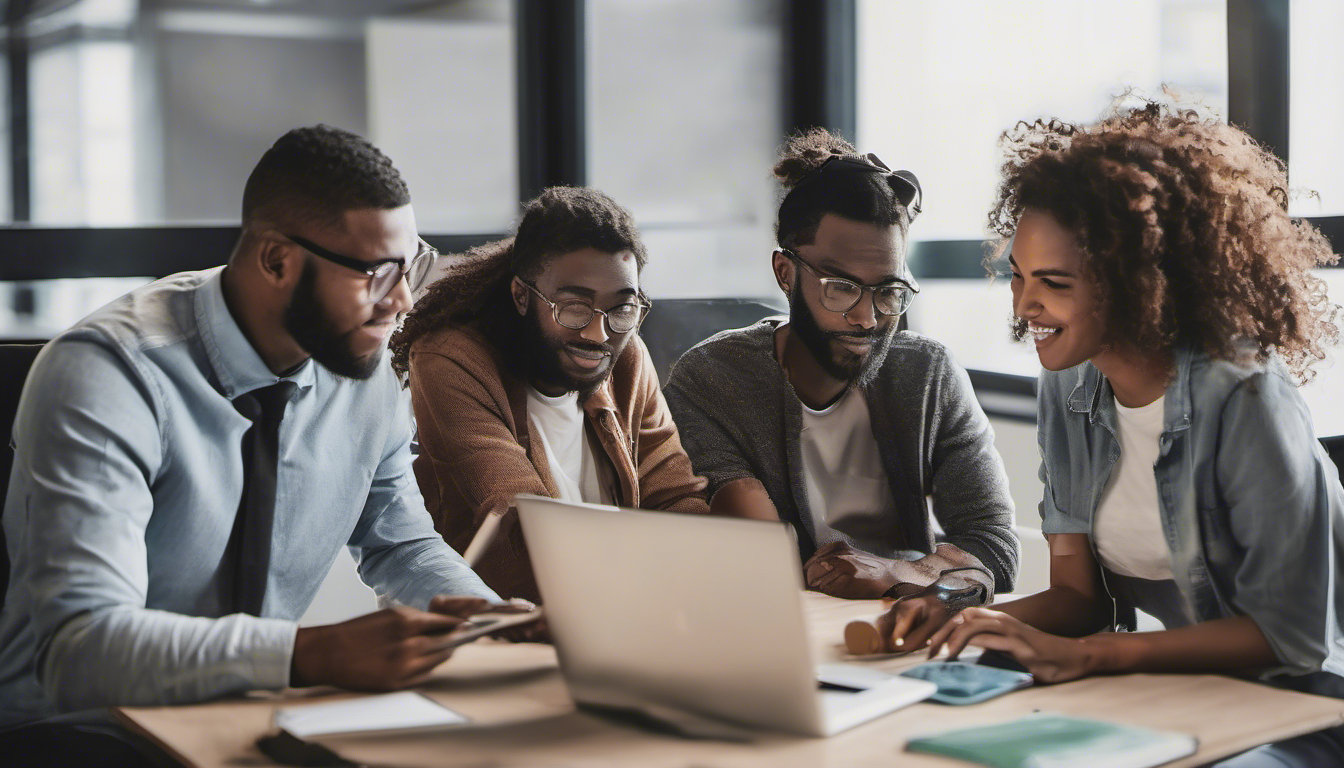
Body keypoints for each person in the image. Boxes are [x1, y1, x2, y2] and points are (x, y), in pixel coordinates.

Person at [0, 125, 513, 766]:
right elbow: (82, 650)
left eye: (410, 267)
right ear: (276, 261)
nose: (403, 301)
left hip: (250, 715)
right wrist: (312, 653)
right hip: (73, 732)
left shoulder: (361, 369)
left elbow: (402, 544)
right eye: (378, 274)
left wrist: (496, 626)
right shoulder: (109, 374)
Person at [878, 102, 1344, 766]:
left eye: (1053, 283)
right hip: (1167, 694)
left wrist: (1089, 656)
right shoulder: (1068, 384)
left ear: (1135, 284)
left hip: (1297, 711)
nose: (1022, 307)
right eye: (1017, 277)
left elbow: (1293, 639)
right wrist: (964, 619)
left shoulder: (1244, 398)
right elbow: (1078, 598)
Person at [663, 129, 1019, 612]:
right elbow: (762, 560)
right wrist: (939, 573)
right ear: (785, 274)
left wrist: (899, 574)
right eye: (841, 288)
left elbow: (995, 542)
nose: (868, 318)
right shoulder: (713, 378)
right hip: (781, 625)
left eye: (889, 291)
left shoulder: (928, 374)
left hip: (911, 619)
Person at [390, 186, 712, 603]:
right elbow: (520, 512)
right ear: (522, 296)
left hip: (620, 611)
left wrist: (706, 571)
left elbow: (673, 494)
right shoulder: (451, 359)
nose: (599, 333)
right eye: (574, 307)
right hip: (488, 622)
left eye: (622, 309)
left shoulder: (626, 354)